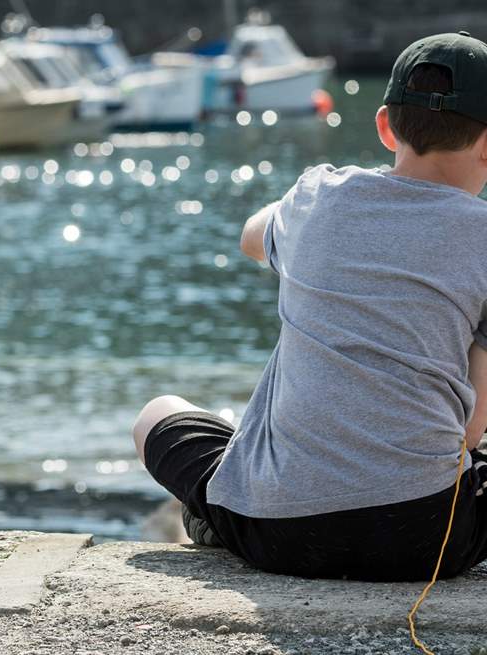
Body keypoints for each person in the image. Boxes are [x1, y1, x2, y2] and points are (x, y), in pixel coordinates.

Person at [130, 32, 487, 581]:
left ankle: (216, 518)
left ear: (385, 125)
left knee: (155, 414)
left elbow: (252, 238)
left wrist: (321, 212)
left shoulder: (317, 196)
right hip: (425, 538)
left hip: (278, 534)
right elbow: (470, 429)